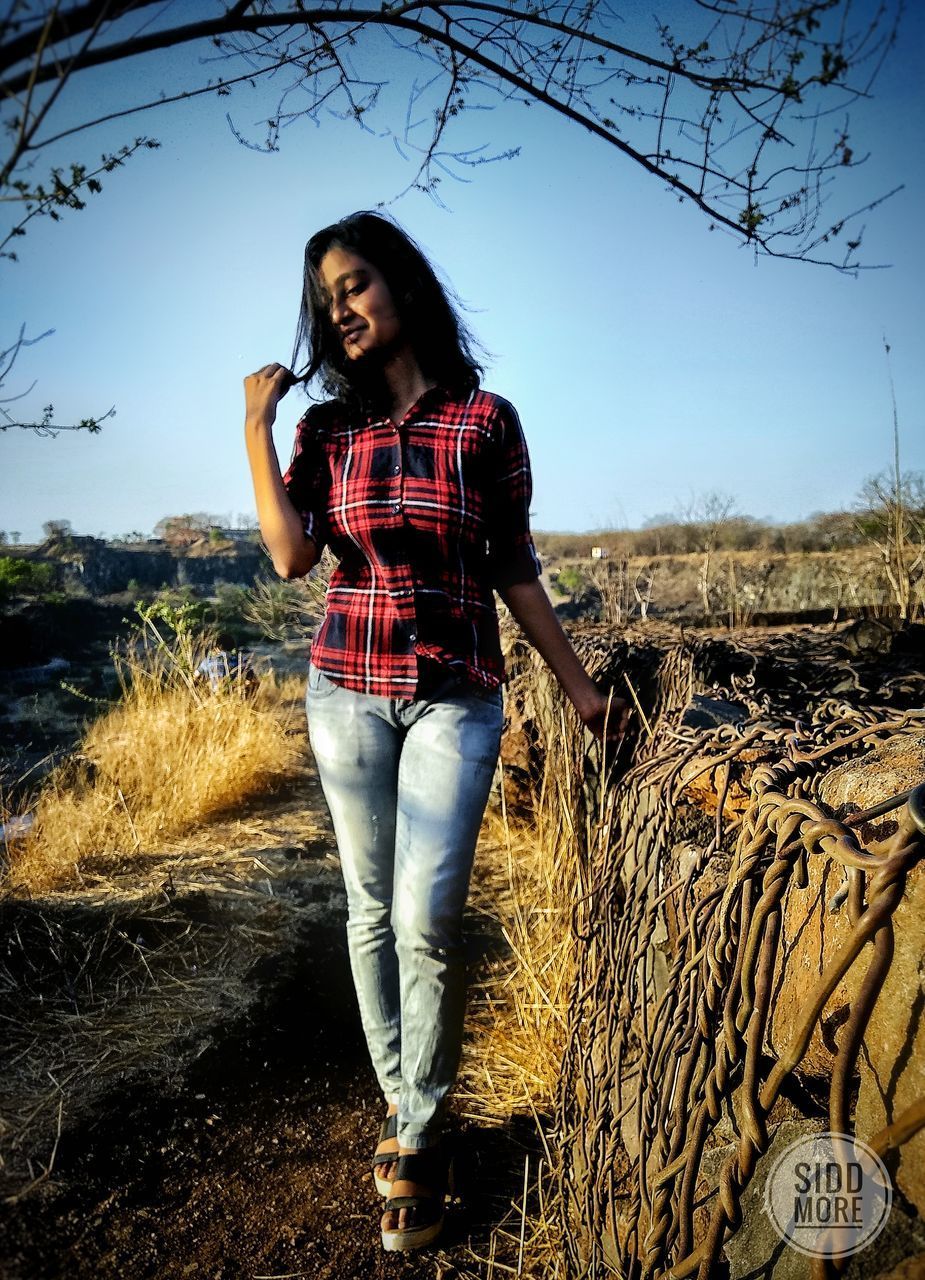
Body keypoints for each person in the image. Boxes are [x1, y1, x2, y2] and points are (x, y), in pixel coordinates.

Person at [243, 211, 629, 1253]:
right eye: (328, 298)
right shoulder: (327, 431)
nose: (343, 309)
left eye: (357, 283)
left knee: (426, 912)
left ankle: (417, 1113)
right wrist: (255, 429)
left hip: (458, 690)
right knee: (368, 908)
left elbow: (512, 567)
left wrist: (579, 685)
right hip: (346, 688)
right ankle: (413, 1118)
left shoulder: (484, 422)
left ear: (402, 286)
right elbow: (290, 558)